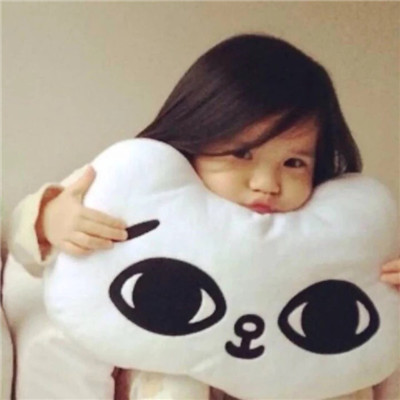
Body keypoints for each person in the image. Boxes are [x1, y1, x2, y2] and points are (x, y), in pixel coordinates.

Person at [8, 33, 399, 400]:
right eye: (242, 153)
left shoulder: (327, 229)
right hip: (171, 364)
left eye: (294, 163)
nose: (266, 184)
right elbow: (27, 247)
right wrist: (48, 220)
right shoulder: (141, 191)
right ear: (196, 136)